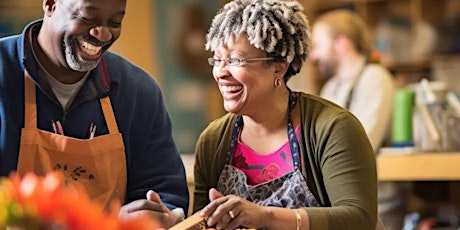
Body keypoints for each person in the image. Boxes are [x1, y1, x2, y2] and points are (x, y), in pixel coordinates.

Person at [192, 0, 383, 229]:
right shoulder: (212, 141)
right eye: (218, 60)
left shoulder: (334, 128)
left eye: (235, 60)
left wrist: (266, 217)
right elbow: (203, 223)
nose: (221, 72)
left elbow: (359, 219)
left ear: (279, 67)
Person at [0, 0, 188, 228]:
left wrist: (153, 216)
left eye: (115, 22)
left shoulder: (139, 92)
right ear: (50, 4)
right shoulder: (4, 73)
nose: (102, 33)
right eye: (87, 18)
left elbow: (165, 193)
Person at [309, 10, 409, 230]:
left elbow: (360, 145)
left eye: (317, 46)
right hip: (337, 199)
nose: (313, 56)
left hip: (375, 205)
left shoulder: (375, 79)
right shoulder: (331, 86)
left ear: (342, 44)